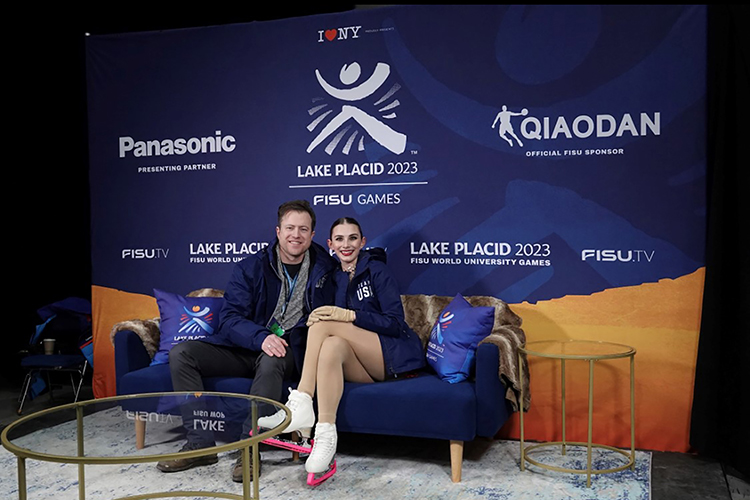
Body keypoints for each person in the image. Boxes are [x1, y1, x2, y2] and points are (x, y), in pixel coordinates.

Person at [156, 200, 336, 482]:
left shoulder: (326, 269)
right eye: (290, 228)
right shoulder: (251, 267)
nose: (296, 235)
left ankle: (248, 450)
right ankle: (200, 444)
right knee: (182, 354)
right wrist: (260, 337)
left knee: (274, 356)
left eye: (303, 229)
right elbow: (229, 319)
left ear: (312, 234)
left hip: (287, 352)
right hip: (245, 347)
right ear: (278, 231)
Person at [257, 217, 425, 476]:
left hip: (389, 354)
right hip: (359, 364)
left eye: (352, 238)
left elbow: (394, 322)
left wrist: (349, 316)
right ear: (330, 244)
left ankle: (301, 403)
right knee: (332, 344)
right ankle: (325, 436)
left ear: (363, 241)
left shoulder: (377, 271)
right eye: (339, 239)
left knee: (325, 325)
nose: (346, 245)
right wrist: (312, 318)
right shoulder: (333, 276)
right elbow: (326, 317)